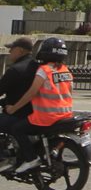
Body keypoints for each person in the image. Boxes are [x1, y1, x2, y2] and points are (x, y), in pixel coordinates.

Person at [3, 37, 73, 174]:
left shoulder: (44, 70)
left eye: (12, 49)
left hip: (46, 115)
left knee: (16, 128)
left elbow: (31, 93)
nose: (10, 52)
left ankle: (31, 159)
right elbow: (69, 93)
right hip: (65, 114)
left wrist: (13, 108)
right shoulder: (65, 71)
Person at [0, 37, 38, 148]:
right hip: (36, 114)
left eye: (12, 49)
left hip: (19, 115)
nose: (10, 52)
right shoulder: (38, 67)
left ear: (20, 50)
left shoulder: (15, 70)